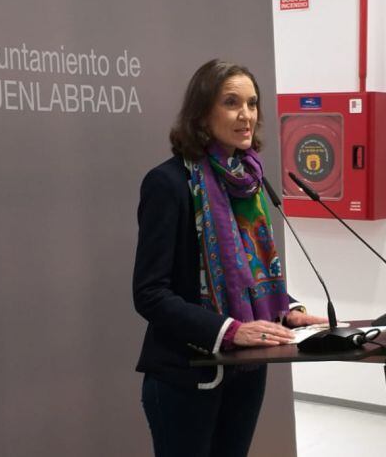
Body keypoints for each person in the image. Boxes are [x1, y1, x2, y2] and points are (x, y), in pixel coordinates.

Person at [133, 59, 328, 457]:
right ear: (203, 113)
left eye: (252, 104)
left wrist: (289, 309)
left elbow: (249, 274)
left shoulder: (249, 181)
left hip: (246, 372)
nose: (246, 116)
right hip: (186, 375)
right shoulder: (168, 183)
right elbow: (150, 293)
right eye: (231, 102)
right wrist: (230, 329)